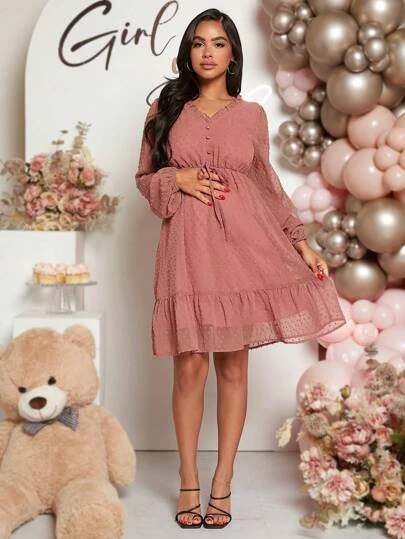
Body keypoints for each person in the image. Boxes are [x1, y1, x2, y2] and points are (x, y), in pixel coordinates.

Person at [135, 7, 346, 529]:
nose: (207, 52)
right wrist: (177, 179)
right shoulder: (165, 108)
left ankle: (223, 482)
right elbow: (144, 178)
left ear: (232, 54)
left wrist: (301, 244)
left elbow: (267, 186)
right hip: (187, 247)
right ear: (188, 53)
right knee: (189, 366)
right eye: (199, 43)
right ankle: (188, 480)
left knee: (233, 365)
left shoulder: (251, 116)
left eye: (218, 43)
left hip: (243, 250)